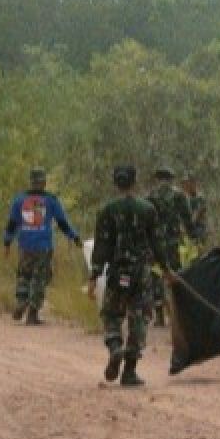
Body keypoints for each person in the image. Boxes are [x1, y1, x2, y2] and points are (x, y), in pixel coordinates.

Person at [88, 165, 176, 387]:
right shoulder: (148, 209)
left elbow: (101, 247)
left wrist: (93, 277)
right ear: (134, 182)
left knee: (111, 315)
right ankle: (129, 371)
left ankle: (115, 346)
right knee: (139, 319)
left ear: (115, 182)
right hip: (141, 274)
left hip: (117, 272)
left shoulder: (107, 211)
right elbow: (157, 242)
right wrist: (166, 269)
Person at [3, 167, 81, 325]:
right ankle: (32, 313)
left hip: (25, 245)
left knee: (24, 275)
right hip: (43, 245)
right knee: (40, 277)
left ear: (31, 182)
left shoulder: (19, 200)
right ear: (44, 182)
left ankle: (21, 300)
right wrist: (75, 237)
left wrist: (7, 243)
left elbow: (11, 224)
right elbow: (62, 223)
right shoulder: (51, 200)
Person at [146, 166, 197, 327]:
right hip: (173, 242)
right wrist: (193, 236)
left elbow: (146, 220)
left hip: (155, 243)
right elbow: (187, 219)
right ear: (171, 178)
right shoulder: (179, 195)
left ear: (158, 178)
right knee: (175, 275)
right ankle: (178, 314)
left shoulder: (150, 196)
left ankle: (160, 316)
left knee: (156, 276)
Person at [182, 173, 209, 243]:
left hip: (197, 229)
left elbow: (195, 215)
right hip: (189, 229)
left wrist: (184, 229)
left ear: (193, 184)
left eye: (187, 183)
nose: (184, 186)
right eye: (184, 183)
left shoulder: (199, 198)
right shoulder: (186, 198)